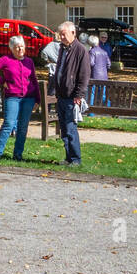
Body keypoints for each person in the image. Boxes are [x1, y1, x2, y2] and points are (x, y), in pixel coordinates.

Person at [0, 35, 40, 162]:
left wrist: (38, 99)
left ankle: (18, 154)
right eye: (17, 47)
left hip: (28, 97)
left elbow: (34, 81)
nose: (20, 49)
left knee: (23, 126)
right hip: (12, 97)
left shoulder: (29, 62)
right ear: (12, 49)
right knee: (9, 123)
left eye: (22, 46)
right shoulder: (6, 59)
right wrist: (2, 81)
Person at [54, 21, 90, 167]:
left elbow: (84, 75)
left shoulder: (81, 50)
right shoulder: (63, 48)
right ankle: (69, 158)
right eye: (60, 34)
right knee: (64, 130)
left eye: (64, 34)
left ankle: (76, 159)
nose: (62, 37)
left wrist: (79, 95)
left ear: (73, 33)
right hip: (61, 95)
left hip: (72, 97)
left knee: (70, 129)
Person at [88, 34, 111, 107]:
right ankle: (110, 109)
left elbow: (91, 63)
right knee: (103, 94)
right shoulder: (104, 52)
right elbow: (109, 64)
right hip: (104, 77)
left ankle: (91, 112)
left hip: (95, 76)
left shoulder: (92, 51)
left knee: (92, 94)